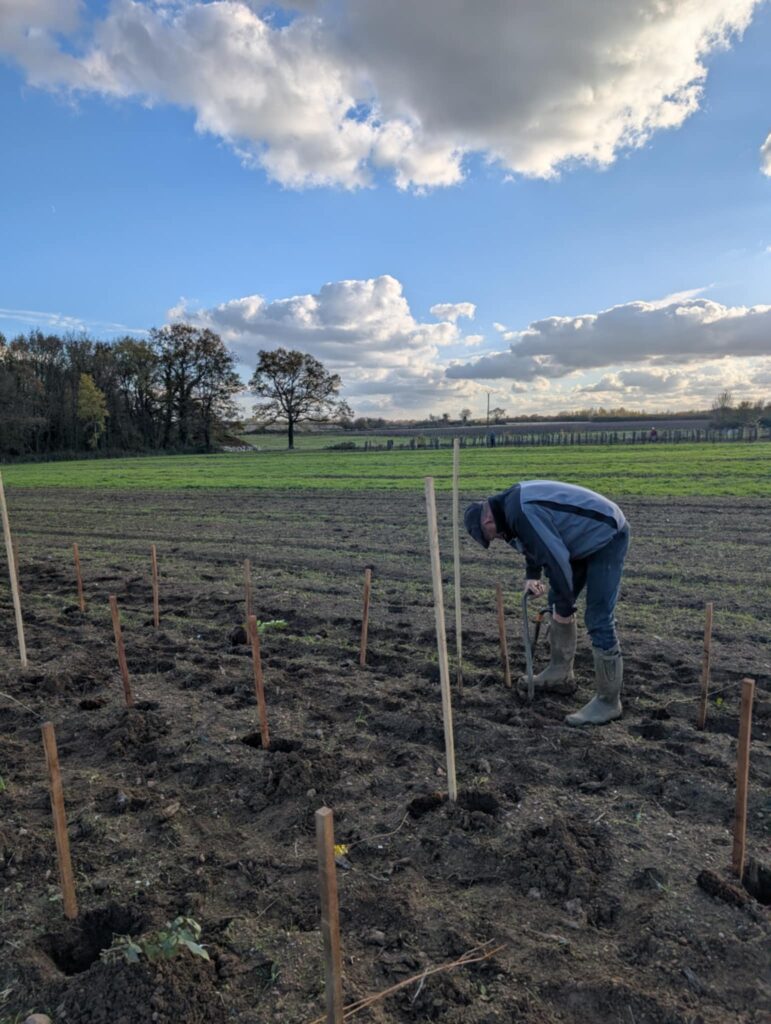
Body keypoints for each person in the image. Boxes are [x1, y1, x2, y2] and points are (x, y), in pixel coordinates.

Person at [464, 480, 630, 727]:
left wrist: (566, 602)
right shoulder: (509, 507)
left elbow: (556, 558)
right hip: (581, 538)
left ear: (488, 522)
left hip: (607, 533)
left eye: (491, 536)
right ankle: (560, 672)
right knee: (558, 602)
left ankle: (608, 702)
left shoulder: (519, 512)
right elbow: (533, 542)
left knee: (598, 618)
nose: (497, 538)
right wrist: (533, 576)